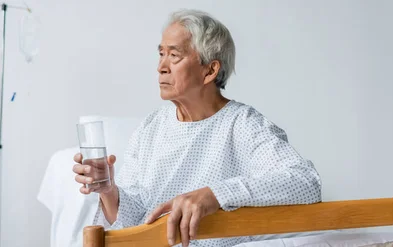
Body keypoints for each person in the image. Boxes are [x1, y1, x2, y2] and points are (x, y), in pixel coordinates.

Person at [72, 9, 322, 247]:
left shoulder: (242, 124)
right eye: (161, 54)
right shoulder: (150, 127)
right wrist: (108, 191)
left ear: (210, 70)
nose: (161, 67)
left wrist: (214, 195)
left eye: (174, 55)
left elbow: (305, 182)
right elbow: (133, 220)